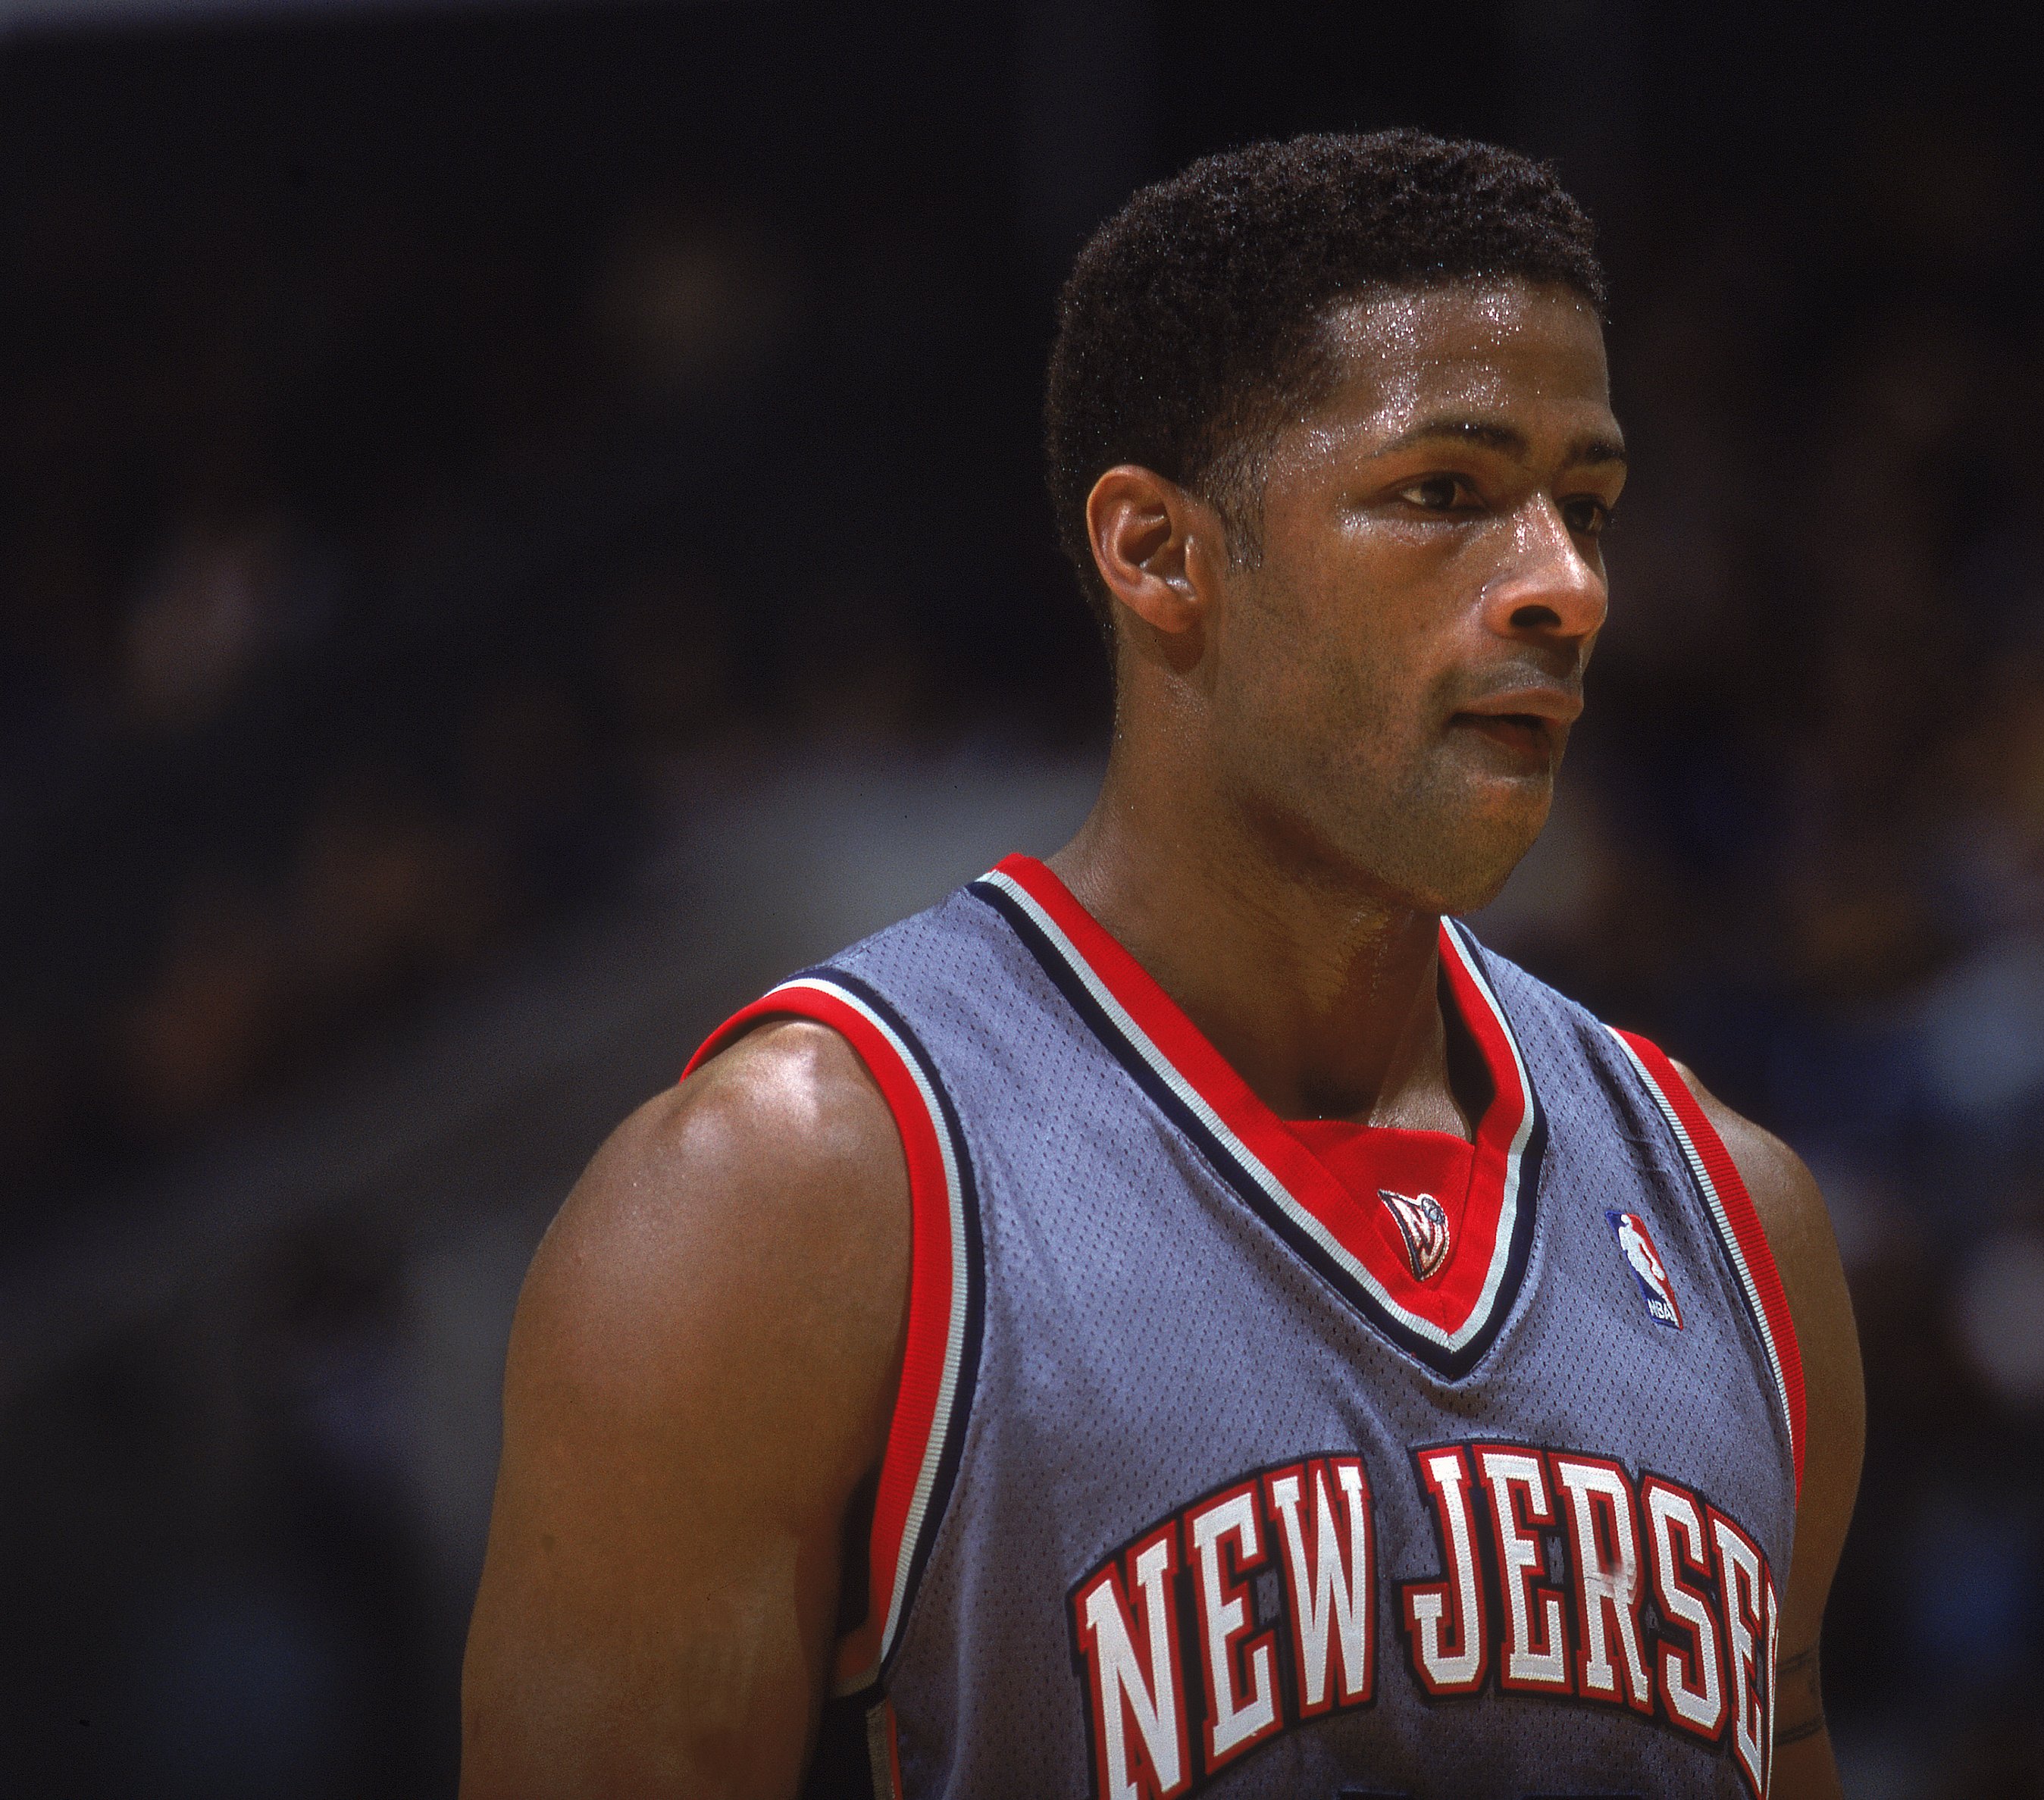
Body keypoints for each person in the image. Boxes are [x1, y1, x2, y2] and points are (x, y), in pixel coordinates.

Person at [460, 129, 1863, 1799]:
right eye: (1447, 495)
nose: (1566, 586)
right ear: (1157, 553)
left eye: (1589, 506)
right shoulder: (789, 1202)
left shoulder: (1736, 1211)